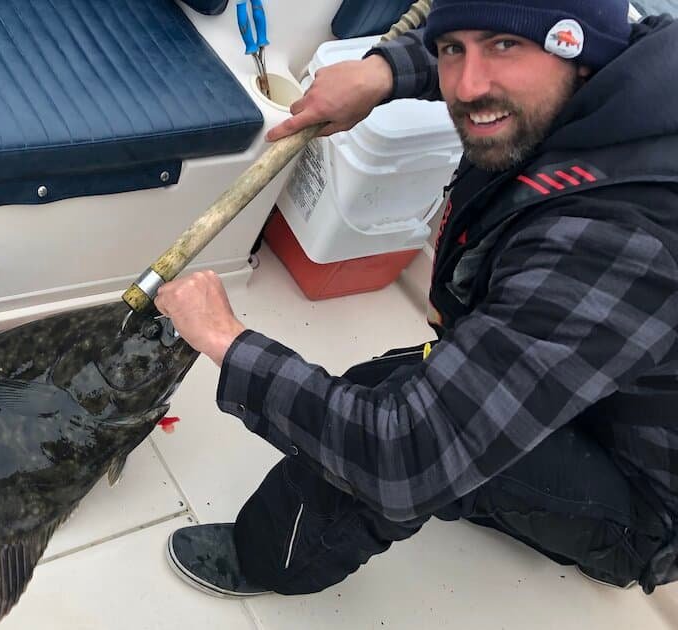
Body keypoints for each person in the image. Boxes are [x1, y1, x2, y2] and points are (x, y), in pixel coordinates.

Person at [156, 0, 678, 598]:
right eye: (454, 48)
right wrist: (380, 75)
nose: (467, 85)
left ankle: (266, 561)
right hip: (604, 386)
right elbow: (485, 51)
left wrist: (227, 341)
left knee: (383, 421)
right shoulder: (638, 70)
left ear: (581, 47)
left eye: (504, 47)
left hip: (644, 500)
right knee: (384, 386)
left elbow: (403, 457)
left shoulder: (623, 242)